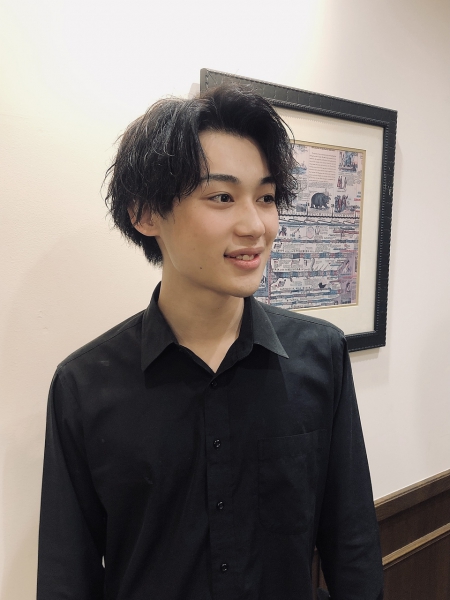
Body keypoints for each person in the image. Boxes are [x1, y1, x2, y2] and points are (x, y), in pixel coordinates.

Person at [37, 84, 383, 600]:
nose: (255, 226)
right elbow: (67, 575)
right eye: (222, 197)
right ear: (145, 214)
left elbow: (351, 545)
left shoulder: (320, 355)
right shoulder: (84, 385)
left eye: (266, 198)